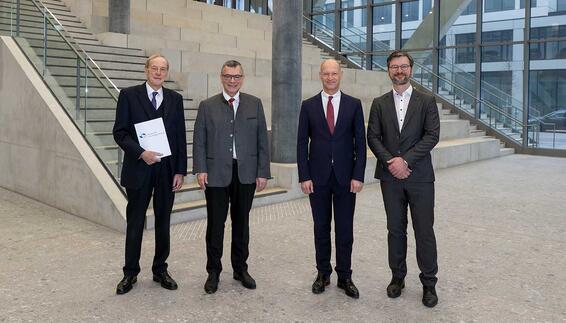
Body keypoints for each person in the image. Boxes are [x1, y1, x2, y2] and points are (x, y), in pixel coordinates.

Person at [367, 50, 440, 307]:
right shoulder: (379, 103)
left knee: (424, 231)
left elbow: (432, 136)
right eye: (395, 67)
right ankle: (397, 278)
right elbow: (373, 137)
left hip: (419, 177)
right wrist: (392, 162)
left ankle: (429, 283)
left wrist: (405, 161)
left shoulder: (427, 101)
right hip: (390, 178)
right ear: (388, 70)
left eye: (404, 66)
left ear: (411, 69)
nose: (399, 71)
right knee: (395, 230)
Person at [192, 60, 270, 294]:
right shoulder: (207, 106)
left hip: (245, 174)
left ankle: (240, 268)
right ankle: (213, 272)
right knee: (216, 225)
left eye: (236, 76)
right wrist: (200, 168)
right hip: (216, 174)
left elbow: (262, 141)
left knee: (242, 224)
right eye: (228, 76)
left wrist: (262, 172)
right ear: (221, 77)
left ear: (242, 78)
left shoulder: (254, 104)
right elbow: (199, 140)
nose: (232, 80)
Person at [113, 54, 187, 295]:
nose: (158, 72)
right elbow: (120, 133)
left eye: (163, 69)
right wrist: (141, 153)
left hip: (166, 171)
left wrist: (180, 170)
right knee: (135, 222)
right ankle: (130, 273)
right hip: (139, 168)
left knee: (164, 221)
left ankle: (160, 269)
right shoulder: (129, 95)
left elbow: (180, 137)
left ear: (167, 73)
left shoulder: (175, 99)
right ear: (146, 70)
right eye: (154, 68)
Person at [297, 59, 367, 299]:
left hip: (346, 179)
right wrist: (304, 176)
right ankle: (323, 273)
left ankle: (345, 276)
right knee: (321, 228)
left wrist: (358, 175)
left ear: (340, 75)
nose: (330, 77)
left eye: (334, 73)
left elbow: (361, 142)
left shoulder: (354, 105)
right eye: (326, 73)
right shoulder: (308, 106)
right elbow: (301, 144)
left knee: (345, 229)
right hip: (317, 179)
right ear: (320, 75)